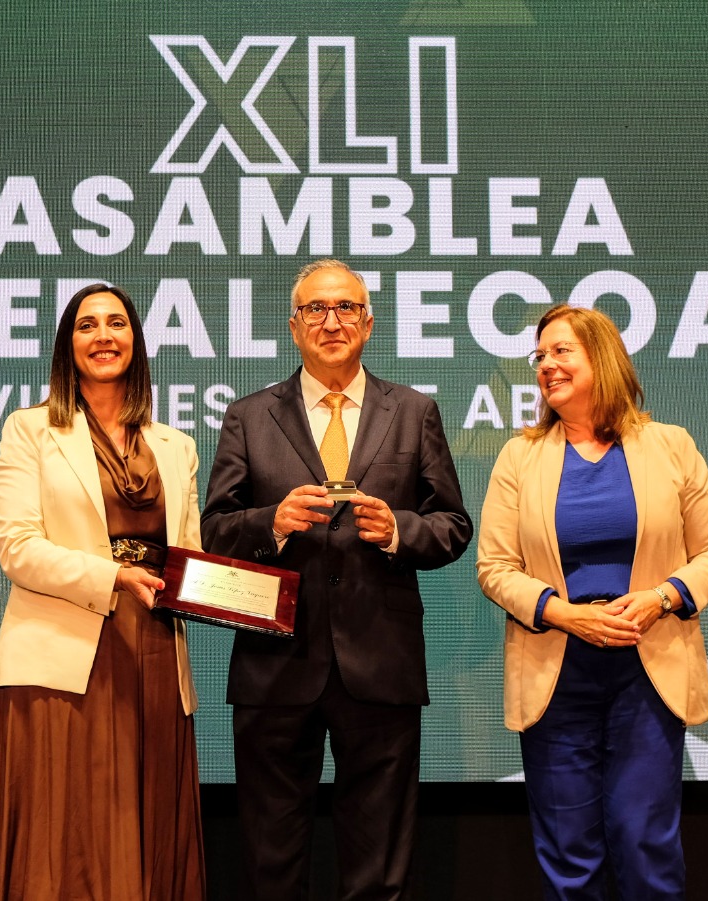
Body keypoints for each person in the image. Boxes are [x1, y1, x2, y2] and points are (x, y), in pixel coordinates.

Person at [202, 259, 472, 901]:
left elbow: (453, 526)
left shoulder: (414, 411)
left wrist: (400, 530)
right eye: (316, 309)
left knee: (380, 862)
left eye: (346, 308)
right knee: (272, 859)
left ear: (368, 324)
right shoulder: (248, 415)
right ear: (294, 325)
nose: (332, 321)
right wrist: (273, 522)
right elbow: (213, 530)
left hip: (381, 662)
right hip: (275, 662)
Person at [476, 304, 708, 901]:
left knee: (643, 840)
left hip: (648, 670)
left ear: (603, 357)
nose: (545, 365)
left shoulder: (671, 445)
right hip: (556, 673)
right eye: (540, 356)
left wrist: (662, 598)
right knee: (569, 853)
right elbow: (494, 568)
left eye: (561, 351)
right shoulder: (519, 456)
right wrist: (565, 614)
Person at [0, 283, 205, 901]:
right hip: (63, 659)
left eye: (116, 323)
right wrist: (113, 577)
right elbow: (17, 548)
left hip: (154, 654)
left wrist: (248, 586)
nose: (104, 335)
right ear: (67, 345)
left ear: (136, 340)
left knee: (147, 832)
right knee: (63, 843)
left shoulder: (177, 446)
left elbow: (190, 558)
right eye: (87, 325)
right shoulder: (29, 429)